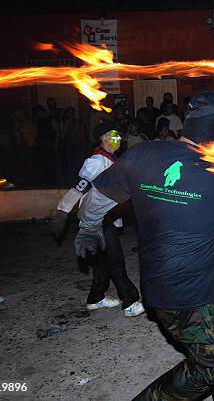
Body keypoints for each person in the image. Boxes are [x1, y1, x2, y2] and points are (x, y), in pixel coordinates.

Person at [74, 91, 214, 400]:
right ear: (213, 129)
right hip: (195, 296)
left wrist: (88, 228)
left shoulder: (140, 155)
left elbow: (93, 200)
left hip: (159, 285)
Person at [52, 123, 144, 317]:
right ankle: (130, 301)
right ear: (103, 137)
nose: (118, 138)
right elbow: (80, 186)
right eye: (113, 135)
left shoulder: (112, 160)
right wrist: (62, 210)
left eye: (119, 135)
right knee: (115, 259)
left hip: (104, 217)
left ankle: (95, 298)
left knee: (102, 261)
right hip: (96, 219)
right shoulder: (96, 161)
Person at [60, 107, 83, 184]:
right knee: (69, 161)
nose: (71, 114)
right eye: (69, 113)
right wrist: (66, 125)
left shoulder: (77, 122)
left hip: (77, 144)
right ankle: (70, 179)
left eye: (72, 112)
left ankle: (78, 179)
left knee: (77, 161)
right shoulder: (65, 122)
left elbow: (80, 133)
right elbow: (63, 134)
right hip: (68, 144)